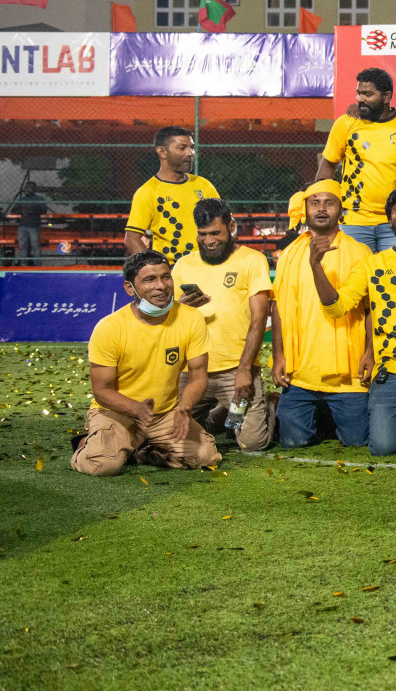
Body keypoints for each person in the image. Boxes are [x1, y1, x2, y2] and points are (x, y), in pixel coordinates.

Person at [314, 186, 396, 456]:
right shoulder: (371, 265)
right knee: (383, 448)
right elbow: (337, 308)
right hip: (394, 373)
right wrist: (316, 265)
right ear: (390, 220)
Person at [70, 250, 221, 476]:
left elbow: (198, 375)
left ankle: (142, 449)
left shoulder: (191, 317)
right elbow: (102, 392)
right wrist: (136, 409)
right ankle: (85, 444)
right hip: (117, 412)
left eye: (165, 277)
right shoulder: (109, 328)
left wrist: (185, 407)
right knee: (104, 466)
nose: (161, 286)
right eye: (150, 279)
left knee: (206, 457)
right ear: (130, 288)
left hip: (165, 414)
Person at [271, 181, 372, 448]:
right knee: (292, 442)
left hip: (348, 376)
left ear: (340, 209)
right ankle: (307, 411)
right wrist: (278, 355)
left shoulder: (360, 252)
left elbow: (370, 309)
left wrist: (370, 352)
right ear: (305, 208)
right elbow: (279, 307)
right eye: (314, 203)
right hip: (301, 373)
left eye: (329, 202)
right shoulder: (289, 254)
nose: (322, 209)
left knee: (358, 441)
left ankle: (329, 413)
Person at [170, 199, 273, 450]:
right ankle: (223, 414)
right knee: (175, 436)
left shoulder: (253, 260)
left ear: (232, 226)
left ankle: (270, 402)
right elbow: (167, 321)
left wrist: (245, 369)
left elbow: (259, 319)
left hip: (234, 371)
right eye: (203, 234)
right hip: (192, 373)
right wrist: (181, 308)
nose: (209, 241)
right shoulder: (183, 265)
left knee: (252, 443)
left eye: (215, 233)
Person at [318, 68, 396, 252]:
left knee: (393, 277)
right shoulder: (346, 123)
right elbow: (328, 165)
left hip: (395, 221)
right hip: (353, 220)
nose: (361, 99)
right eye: (359, 93)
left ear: (386, 96)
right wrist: (320, 204)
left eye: (368, 94)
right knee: (353, 278)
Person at [125, 126, 220, 265]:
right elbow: (131, 239)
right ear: (162, 151)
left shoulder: (204, 185)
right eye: (182, 148)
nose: (190, 153)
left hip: (208, 268)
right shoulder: (148, 191)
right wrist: (157, 269)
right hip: (173, 270)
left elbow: (228, 224)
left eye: (192, 147)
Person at [8, 180, 46, 265]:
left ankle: (37, 264)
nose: (26, 189)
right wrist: (22, 211)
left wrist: (31, 211)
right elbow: (13, 210)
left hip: (34, 225)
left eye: (28, 187)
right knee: (22, 246)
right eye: (26, 187)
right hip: (23, 225)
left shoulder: (39, 199)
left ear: (33, 189)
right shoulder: (22, 199)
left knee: (35, 246)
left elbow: (43, 210)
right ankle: (23, 264)